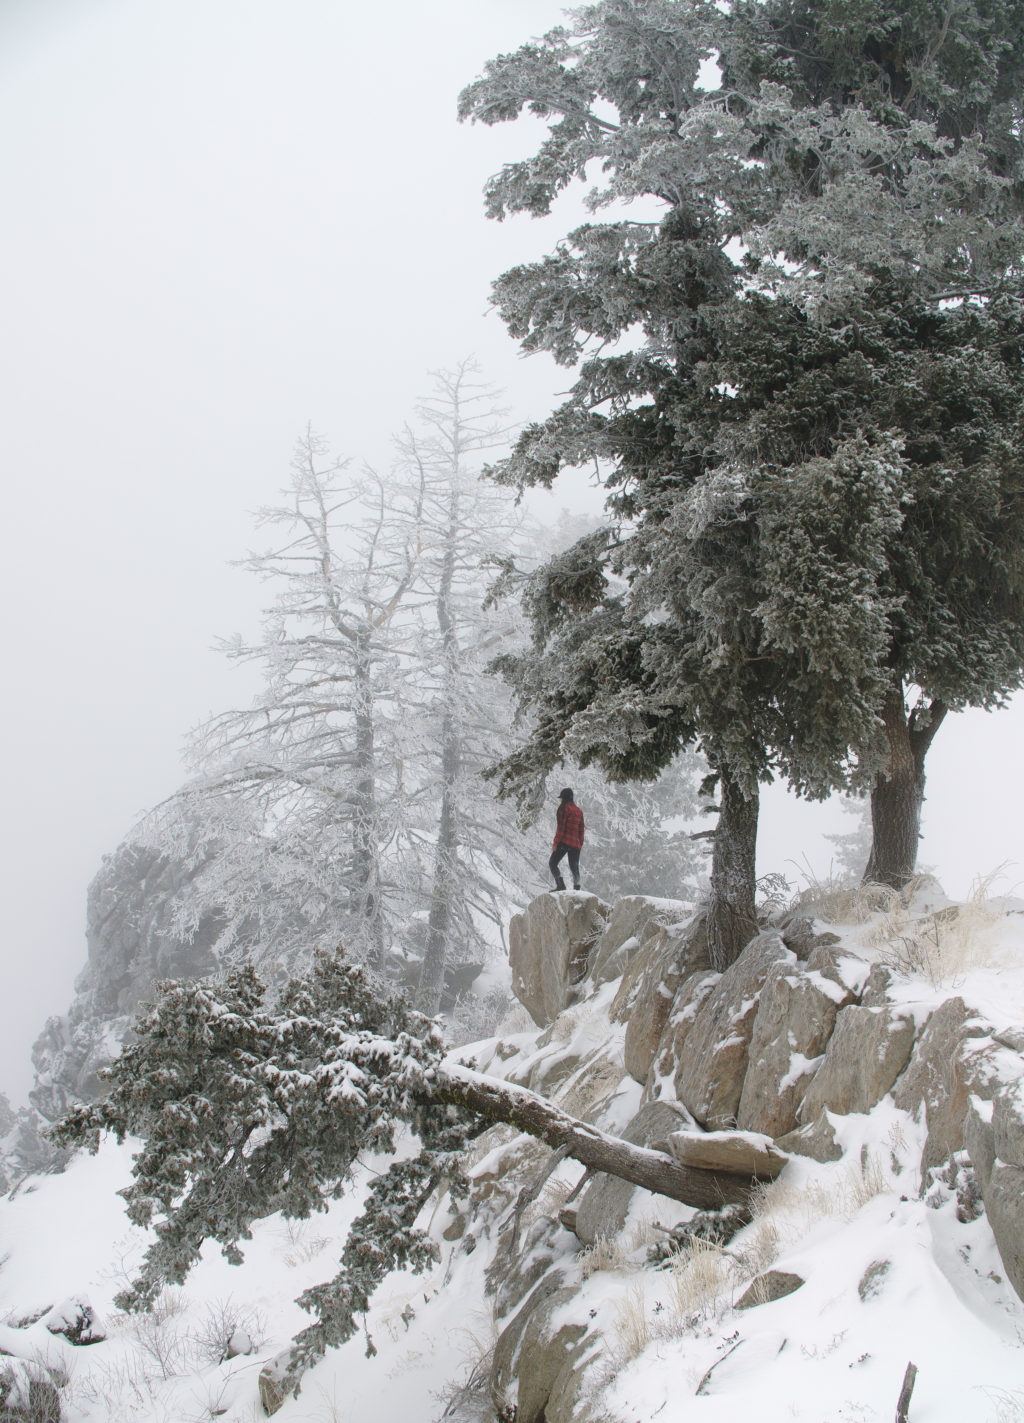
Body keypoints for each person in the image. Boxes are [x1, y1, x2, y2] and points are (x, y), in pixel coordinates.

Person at [549, 787, 584, 891]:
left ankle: (561, 885)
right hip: (575, 844)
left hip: (564, 842)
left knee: (552, 863)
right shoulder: (579, 811)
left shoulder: (563, 808)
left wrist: (555, 843)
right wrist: (579, 844)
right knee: (574, 868)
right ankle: (577, 889)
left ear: (564, 798)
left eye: (561, 798)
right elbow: (581, 830)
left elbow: (561, 827)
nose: (560, 800)